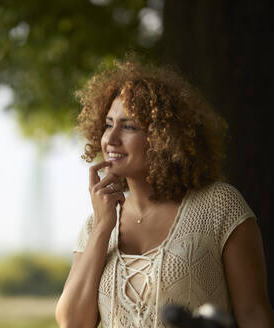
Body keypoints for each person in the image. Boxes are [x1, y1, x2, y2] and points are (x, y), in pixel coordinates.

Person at [55, 56, 274, 328]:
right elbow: (71, 323)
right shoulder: (94, 225)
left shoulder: (219, 206)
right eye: (109, 124)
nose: (110, 139)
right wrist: (102, 227)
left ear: (163, 138)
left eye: (129, 126)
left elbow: (253, 313)